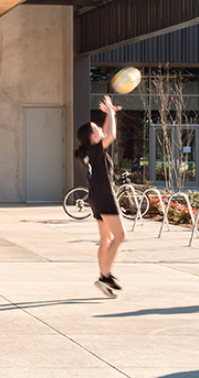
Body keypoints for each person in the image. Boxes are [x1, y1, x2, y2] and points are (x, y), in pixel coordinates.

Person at [76, 95, 125, 297]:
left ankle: (103, 277)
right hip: (104, 196)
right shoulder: (95, 149)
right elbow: (111, 134)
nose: (100, 129)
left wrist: (108, 114)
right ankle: (105, 276)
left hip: (96, 197)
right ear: (92, 135)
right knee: (120, 236)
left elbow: (105, 132)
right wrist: (111, 114)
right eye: (96, 127)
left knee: (106, 239)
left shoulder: (90, 149)